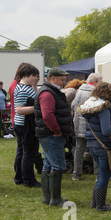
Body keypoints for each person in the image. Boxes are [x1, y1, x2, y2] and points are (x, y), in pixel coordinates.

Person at [78, 82, 111, 211]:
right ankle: (100, 205)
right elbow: (106, 130)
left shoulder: (91, 106)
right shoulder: (104, 108)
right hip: (103, 145)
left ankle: (95, 202)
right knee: (104, 174)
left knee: (101, 174)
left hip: (92, 144)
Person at [34, 67, 73, 206]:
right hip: (51, 134)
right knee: (57, 165)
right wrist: (57, 130)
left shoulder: (49, 91)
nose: (64, 82)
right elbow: (47, 115)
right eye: (62, 79)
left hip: (48, 134)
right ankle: (55, 199)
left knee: (48, 164)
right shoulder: (47, 93)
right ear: (53, 78)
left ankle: (48, 197)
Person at [70, 73, 103, 181]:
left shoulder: (79, 90)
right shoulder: (95, 92)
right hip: (91, 125)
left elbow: (73, 105)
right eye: (100, 81)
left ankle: (76, 174)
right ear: (96, 82)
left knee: (79, 150)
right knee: (95, 149)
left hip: (79, 123)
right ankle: (98, 175)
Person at [13, 63, 41, 187]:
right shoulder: (23, 89)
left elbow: (33, 97)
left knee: (22, 152)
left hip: (21, 124)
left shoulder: (24, 87)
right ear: (26, 75)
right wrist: (38, 108)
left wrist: (35, 86)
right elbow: (19, 109)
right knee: (29, 153)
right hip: (25, 125)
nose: (36, 78)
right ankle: (29, 181)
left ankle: (19, 177)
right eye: (34, 76)